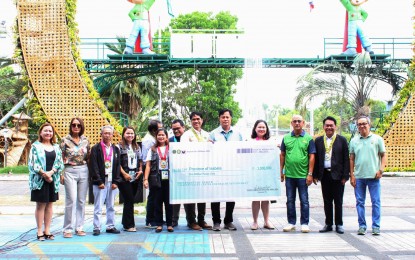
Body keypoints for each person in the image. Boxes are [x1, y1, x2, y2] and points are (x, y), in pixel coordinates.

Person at [349, 116, 386, 236]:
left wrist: (381, 170)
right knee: (360, 202)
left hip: (374, 177)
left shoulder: (377, 139)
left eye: (364, 123)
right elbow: (351, 159)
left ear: (369, 124)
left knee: (376, 202)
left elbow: (383, 155)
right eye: (359, 124)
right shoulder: (354, 141)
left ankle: (376, 226)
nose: (362, 126)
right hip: (359, 177)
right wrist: (352, 175)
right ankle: (362, 226)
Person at [313, 116, 349, 234]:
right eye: (327, 125)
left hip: (338, 176)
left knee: (338, 201)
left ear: (335, 127)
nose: (329, 127)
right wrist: (315, 175)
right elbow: (316, 159)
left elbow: (346, 159)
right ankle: (328, 224)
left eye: (331, 125)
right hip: (324, 175)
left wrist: (345, 176)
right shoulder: (318, 141)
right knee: (327, 201)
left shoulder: (342, 140)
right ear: (323, 127)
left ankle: (339, 224)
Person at [209, 109, 244, 231]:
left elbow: (242, 151)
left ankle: (228, 221)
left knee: (231, 196)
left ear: (231, 119)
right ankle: (216, 222)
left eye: (227, 117)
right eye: (223, 117)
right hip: (217, 169)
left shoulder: (238, 134)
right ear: (219, 118)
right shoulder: (213, 134)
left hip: (232, 169)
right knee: (215, 197)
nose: (225, 119)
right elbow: (209, 151)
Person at [280, 115, 316, 233]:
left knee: (304, 200)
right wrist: (281, 171)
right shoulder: (286, 138)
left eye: (299, 121)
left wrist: (310, 174)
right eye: (294, 121)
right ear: (291, 123)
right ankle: (291, 222)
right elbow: (282, 155)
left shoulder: (308, 138)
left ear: (303, 123)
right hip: (290, 175)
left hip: (303, 176)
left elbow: (312, 156)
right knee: (290, 200)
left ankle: (304, 223)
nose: (297, 123)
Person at [29, 123, 64, 241]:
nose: (48, 133)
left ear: (53, 133)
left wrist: (51, 173)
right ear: (40, 133)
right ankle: (39, 231)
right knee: (40, 205)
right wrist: (44, 174)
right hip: (39, 180)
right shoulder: (35, 146)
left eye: (50, 131)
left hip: (53, 180)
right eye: (45, 131)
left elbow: (59, 163)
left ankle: (47, 230)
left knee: (49, 205)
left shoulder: (56, 147)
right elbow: (33, 163)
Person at [181, 112, 212, 230]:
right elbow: (184, 152)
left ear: (202, 120)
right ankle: (191, 221)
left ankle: (201, 220)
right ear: (191, 121)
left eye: (198, 119)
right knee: (190, 196)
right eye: (193, 119)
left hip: (204, 170)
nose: (196, 121)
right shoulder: (186, 135)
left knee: (202, 195)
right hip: (190, 170)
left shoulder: (207, 135)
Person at [60, 118, 90, 238]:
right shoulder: (65, 140)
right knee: (71, 199)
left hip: (83, 170)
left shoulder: (86, 140)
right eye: (73, 125)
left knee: (81, 201)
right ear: (71, 126)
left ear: (81, 127)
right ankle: (67, 228)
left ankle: (79, 227)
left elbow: (88, 157)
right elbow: (60, 157)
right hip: (69, 170)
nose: (76, 127)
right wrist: (61, 173)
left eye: (78, 125)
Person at [90, 125, 122, 236]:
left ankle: (110, 226)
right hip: (100, 182)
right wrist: (99, 181)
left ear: (112, 135)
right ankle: (96, 227)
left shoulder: (116, 149)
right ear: (101, 134)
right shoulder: (96, 148)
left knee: (111, 205)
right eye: (105, 133)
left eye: (109, 133)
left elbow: (118, 166)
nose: (107, 135)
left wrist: (116, 181)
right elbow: (93, 166)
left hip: (112, 181)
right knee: (98, 205)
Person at [143, 128, 174, 232]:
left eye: (163, 135)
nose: (161, 137)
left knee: (169, 202)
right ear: (156, 137)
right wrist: (145, 179)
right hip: (156, 178)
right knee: (157, 202)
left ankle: (170, 224)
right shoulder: (152, 150)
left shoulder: (171, 148)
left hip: (169, 178)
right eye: (159, 135)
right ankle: (159, 224)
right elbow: (148, 165)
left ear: (166, 137)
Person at [250, 119, 275, 230]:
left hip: (267, 174)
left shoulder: (271, 142)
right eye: (259, 127)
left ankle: (266, 221)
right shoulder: (250, 142)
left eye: (263, 127)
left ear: (266, 129)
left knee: (265, 199)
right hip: (255, 174)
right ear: (255, 129)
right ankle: (255, 222)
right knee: (256, 198)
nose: (261, 129)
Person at [118, 127, 143, 232]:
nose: (130, 135)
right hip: (124, 177)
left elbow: (140, 160)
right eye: (128, 133)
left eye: (132, 133)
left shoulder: (137, 146)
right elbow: (117, 163)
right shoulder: (118, 147)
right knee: (129, 200)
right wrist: (124, 174)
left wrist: (140, 170)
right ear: (124, 134)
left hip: (135, 176)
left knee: (130, 200)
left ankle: (125, 222)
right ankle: (129, 225)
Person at [168, 119, 189, 228]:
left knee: (188, 198)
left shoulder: (190, 140)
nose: (176, 131)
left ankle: (191, 221)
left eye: (178, 128)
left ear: (183, 127)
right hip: (174, 175)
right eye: (174, 129)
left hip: (188, 174)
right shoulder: (170, 141)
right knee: (175, 198)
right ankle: (173, 220)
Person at [142, 119, 162, 228]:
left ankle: (156, 218)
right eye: (159, 128)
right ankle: (150, 220)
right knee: (152, 195)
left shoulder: (152, 138)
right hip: (150, 169)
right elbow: (146, 159)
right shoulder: (149, 140)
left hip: (155, 169)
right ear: (154, 130)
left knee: (156, 195)